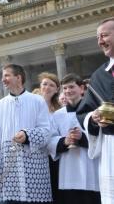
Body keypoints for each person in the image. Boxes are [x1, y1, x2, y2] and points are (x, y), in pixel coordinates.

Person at [0, 64, 52, 204]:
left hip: (35, 171)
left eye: (7, 75)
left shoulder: (37, 101)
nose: (3, 79)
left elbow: (46, 131)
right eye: (2, 76)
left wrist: (27, 135)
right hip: (9, 172)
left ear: (19, 77)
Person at [47, 73, 100, 204]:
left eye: (71, 87)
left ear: (82, 89)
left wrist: (82, 138)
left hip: (90, 167)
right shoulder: (58, 115)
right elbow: (51, 139)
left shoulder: (93, 111)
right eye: (64, 88)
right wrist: (64, 141)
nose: (68, 91)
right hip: (68, 169)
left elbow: (102, 137)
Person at [77, 17, 114, 203]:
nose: (100, 41)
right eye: (98, 37)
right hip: (111, 148)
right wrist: (94, 117)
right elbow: (84, 112)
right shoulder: (99, 75)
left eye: (104, 35)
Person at [37, 72, 60, 204]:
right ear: (40, 87)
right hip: (37, 153)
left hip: (54, 155)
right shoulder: (33, 104)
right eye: (45, 84)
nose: (47, 87)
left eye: (51, 85)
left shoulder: (59, 109)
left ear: (56, 89)